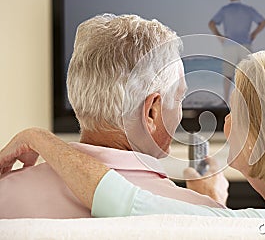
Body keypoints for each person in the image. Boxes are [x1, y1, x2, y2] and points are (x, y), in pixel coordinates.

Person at [0, 49, 265, 224]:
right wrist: (209, 204)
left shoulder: (258, 228)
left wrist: (38, 138)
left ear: (259, 141)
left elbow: (119, 200)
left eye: (234, 115)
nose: (224, 126)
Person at [0, 14, 227, 219]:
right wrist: (210, 208)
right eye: (179, 98)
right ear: (151, 112)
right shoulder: (199, 215)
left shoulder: (6, 193)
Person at [209, 0, 265, 102]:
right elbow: (263, 22)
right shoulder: (248, 9)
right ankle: (248, 100)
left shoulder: (225, 10)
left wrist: (219, 36)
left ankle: (225, 101)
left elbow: (211, 23)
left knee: (227, 75)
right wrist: (254, 34)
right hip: (245, 45)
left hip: (229, 45)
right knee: (248, 75)